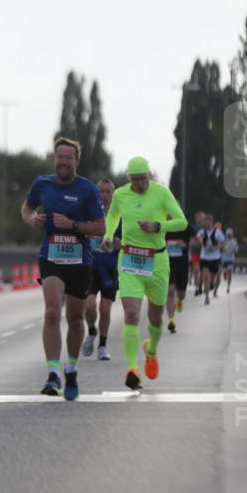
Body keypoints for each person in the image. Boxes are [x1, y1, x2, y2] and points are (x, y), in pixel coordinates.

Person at [22, 138, 106, 400]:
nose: (64, 162)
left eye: (69, 158)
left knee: (75, 319)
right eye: (60, 157)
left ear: (76, 162)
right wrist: (31, 218)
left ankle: (71, 367)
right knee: (50, 312)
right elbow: (27, 207)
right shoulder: (42, 184)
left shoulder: (88, 190)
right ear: (54, 158)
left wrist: (73, 225)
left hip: (80, 262)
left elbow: (101, 227)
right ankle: (53, 373)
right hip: (52, 257)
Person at [102, 157, 187, 390]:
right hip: (130, 260)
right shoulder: (120, 194)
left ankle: (151, 351)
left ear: (150, 175)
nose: (140, 184)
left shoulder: (162, 193)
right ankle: (133, 370)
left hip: (157, 260)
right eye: (136, 180)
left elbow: (182, 222)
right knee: (131, 314)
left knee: (156, 318)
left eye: (144, 179)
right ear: (129, 178)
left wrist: (159, 226)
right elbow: (113, 215)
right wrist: (109, 235)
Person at [82, 177, 121, 360]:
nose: (104, 195)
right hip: (90, 267)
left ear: (113, 194)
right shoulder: (89, 214)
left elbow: (126, 242)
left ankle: (103, 346)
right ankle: (91, 331)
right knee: (89, 305)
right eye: (101, 192)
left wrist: (116, 241)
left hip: (110, 268)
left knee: (105, 309)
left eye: (108, 192)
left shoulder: (119, 217)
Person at [166, 216, 197, 333]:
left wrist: (186, 244)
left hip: (182, 265)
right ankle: (171, 320)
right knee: (170, 291)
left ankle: (179, 301)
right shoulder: (164, 225)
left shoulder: (184, 225)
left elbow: (198, 240)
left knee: (181, 294)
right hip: (168, 264)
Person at [197, 214, 225, 305]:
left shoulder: (217, 232)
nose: (207, 225)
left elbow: (223, 243)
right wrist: (200, 241)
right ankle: (207, 297)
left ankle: (212, 285)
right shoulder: (202, 231)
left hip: (215, 258)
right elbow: (198, 239)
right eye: (206, 223)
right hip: (204, 258)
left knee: (212, 279)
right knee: (206, 277)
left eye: (209, 223)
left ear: (212, 223)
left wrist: (216, 247)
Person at [191, 210, 205, 295]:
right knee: (196, 271)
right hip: (195, 252)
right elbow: (190, 241)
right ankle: (196, 288)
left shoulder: (206, 229)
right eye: (198, 218)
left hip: (204, 253)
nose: (200, 220)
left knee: (202, 272)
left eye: (202, 218)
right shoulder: (193, 228)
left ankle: (200, 287)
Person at [220, 228, 238, 294]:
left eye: (230, 234)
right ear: (226, 234)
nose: (229, 235)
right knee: (225, 273)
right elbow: (222, 249)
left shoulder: (234, 241)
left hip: (231, 259)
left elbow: (236, 249)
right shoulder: (224, 241)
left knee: (230, 273)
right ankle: (225, 274)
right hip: (224, 259)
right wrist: (223, 249)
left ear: (232, 234)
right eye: (228, 234)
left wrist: (234, 250)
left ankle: (228, 287)